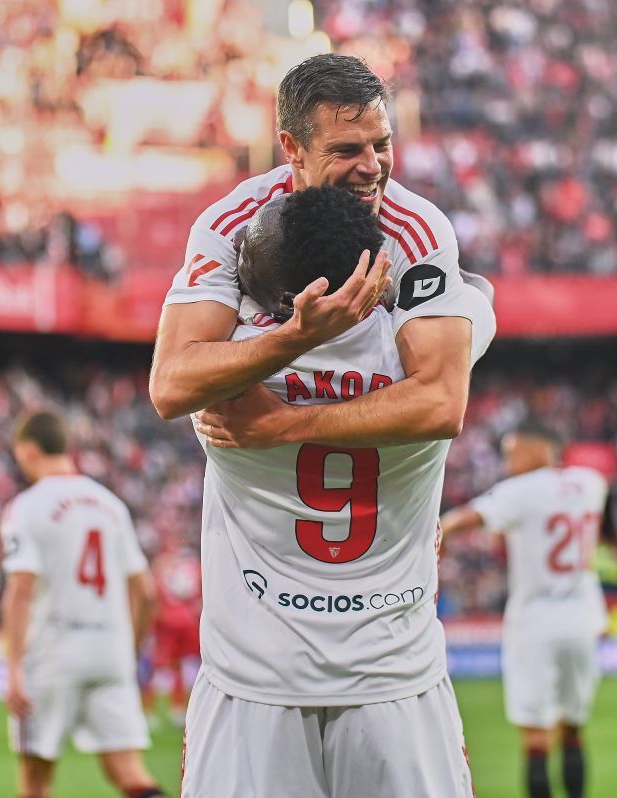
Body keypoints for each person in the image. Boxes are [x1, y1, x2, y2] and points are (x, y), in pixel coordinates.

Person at [179, 185, 495, 797]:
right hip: (395, 680)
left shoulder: (228, 375)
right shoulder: (421, 376)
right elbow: (480, 295)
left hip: (253, 683)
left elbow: (172, 374)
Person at [150, 52, 493, 451]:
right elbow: (170, 387)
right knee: (476, 296)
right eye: (347, 151)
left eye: (381, 145)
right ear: (292, 147)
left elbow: (442, 406)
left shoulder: (418, 229)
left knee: (473, 297)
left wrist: (286, 425)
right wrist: (300, 336)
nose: (372, 167)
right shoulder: (232, 225)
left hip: (377, 506)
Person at [0, 409, 168, 798]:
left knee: (36, 780)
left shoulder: (26, 507)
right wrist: (127, 651)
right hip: (109, 652)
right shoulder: (110, 504)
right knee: (130, 774)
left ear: (26, 451)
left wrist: (12, 669)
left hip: (54, 653)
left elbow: (21, 590)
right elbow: (146, 592)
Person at [440, 424, 610, 798]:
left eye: (512, 451)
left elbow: (461, 520)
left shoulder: (519, 493)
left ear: (538, 451)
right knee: (573, 728)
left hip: (535, 621)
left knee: (535, 738)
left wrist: (439, 536)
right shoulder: (592, 483)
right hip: (584, 618)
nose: (506, 461)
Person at [142, 539, 203, 727]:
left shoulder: (161, 568)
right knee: (183, 665)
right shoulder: (195, 568)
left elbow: (153, 595)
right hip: (187, 619)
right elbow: (198, 594)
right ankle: (178, 708)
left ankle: (149, 711)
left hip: (165, 620)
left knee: (153, 665)